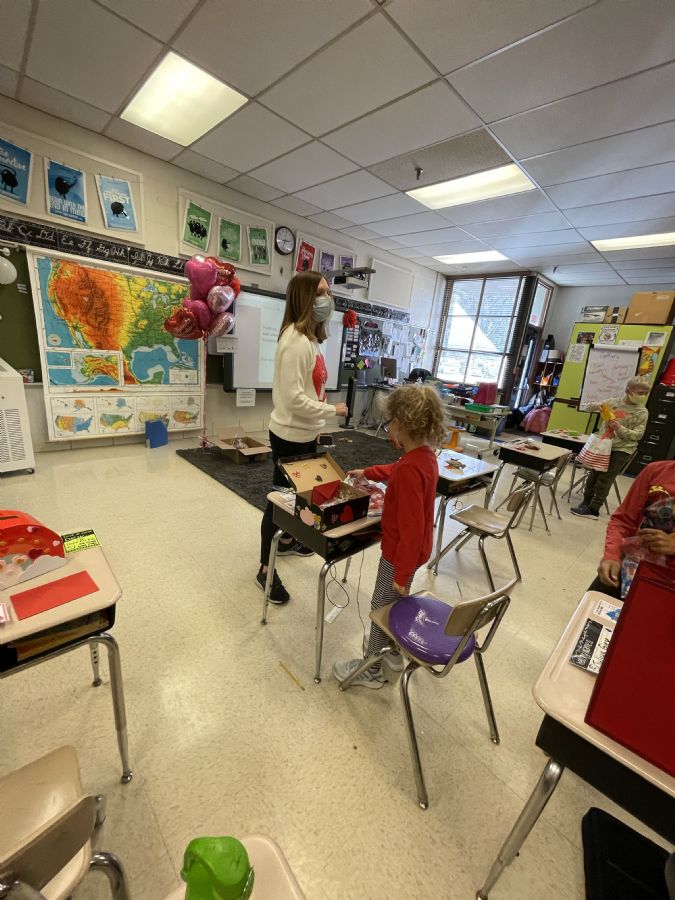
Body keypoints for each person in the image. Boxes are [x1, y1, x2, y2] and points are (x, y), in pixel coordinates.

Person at [333, 384, 446, 689]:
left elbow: (410, 528)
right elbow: (395, 469)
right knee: (393, 605)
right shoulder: (424, 457)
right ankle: (391, 652)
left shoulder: (409, 470)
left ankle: (371, 668)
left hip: (398, 555)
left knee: (380, 608)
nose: (388, 428)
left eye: (390, 422)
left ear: (401, 424)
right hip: (413, 552)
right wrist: (368, 472)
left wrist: (402, 572)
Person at [256, 272, 348, 605]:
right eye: (321, 292)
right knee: (279, 500)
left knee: (299, 494)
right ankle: (265, 569)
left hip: (304, 433)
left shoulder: (310, 339)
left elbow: (309, 390)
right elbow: (294, 399)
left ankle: (284, 543)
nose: (328, 299)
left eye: (329, 292)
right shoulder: (295, 340)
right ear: (305, 297)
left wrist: (318, 419)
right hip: (290, 437)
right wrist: (331, 410)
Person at [590, 459, 675, 600]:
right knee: (591, 608)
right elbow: (623, 520)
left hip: (666, 585)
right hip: (629, 567)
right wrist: (612, 555)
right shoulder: (656, 471)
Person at [572, 376, 650, 520]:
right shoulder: (613, 402)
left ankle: (594, 509)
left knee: (604, 479)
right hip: (604, 446)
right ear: (628, 390)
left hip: (622, 449)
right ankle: (585, 503)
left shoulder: (642, 412)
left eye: (646, 393)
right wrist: (592, 405)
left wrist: (619, 428)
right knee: (593, 476)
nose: (643, 396)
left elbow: (637, 435)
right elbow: (589, 406)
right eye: (640, 392)